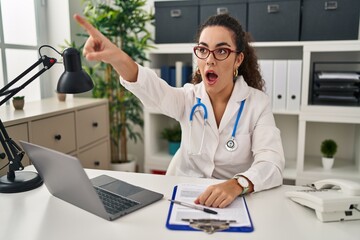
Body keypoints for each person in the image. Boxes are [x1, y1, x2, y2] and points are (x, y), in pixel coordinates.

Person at [74, 13, 285, 208]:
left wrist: (238, 184)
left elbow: (272, 163)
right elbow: (153, 89)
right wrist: (117, 58)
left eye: (221, 51)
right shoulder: (188, 98)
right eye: (203, 50)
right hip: (186, 198)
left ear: (238, 59)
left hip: (234, 201)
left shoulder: (257, 104)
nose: (209, 59)